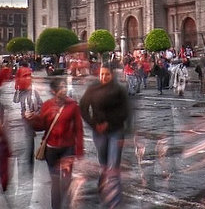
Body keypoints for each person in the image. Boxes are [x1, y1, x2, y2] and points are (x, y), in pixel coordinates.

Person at [0, 66, 42, 207]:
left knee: (25, 176)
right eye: (25, 76)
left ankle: (24, 205)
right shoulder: (4, 91)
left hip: (26, 138)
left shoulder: (34, 93)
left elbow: (42, 112)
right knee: (4, 176)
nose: (29, 79)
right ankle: (8, 200)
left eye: (30, 76)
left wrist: (35, 116)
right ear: (17, 78)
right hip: (6, 138)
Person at [80, 64, 131, 209]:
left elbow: (125, 111)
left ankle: (114, 201)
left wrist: (110, 123)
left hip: (116, 131)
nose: (103, 77)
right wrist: (93, 124)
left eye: (107, 74)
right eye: (101, 74)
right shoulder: (93, 89)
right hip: (99, 133)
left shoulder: (119, 90)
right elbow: (83, 107)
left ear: (112, 75)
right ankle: (103, 182)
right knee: (103, 163)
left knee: (113, 165)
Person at [28, 77, 84, 209]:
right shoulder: (47, 105)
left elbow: (79, 129)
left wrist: (79, 150)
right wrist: (32, 120)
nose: (64, 90)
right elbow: (42, 126)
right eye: (61, 87)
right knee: (55, 182)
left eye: (65, 87)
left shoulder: (73, 105)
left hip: (67, 149)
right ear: (54, 91)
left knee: (65, 182)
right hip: (51, 149)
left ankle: (68, 203)